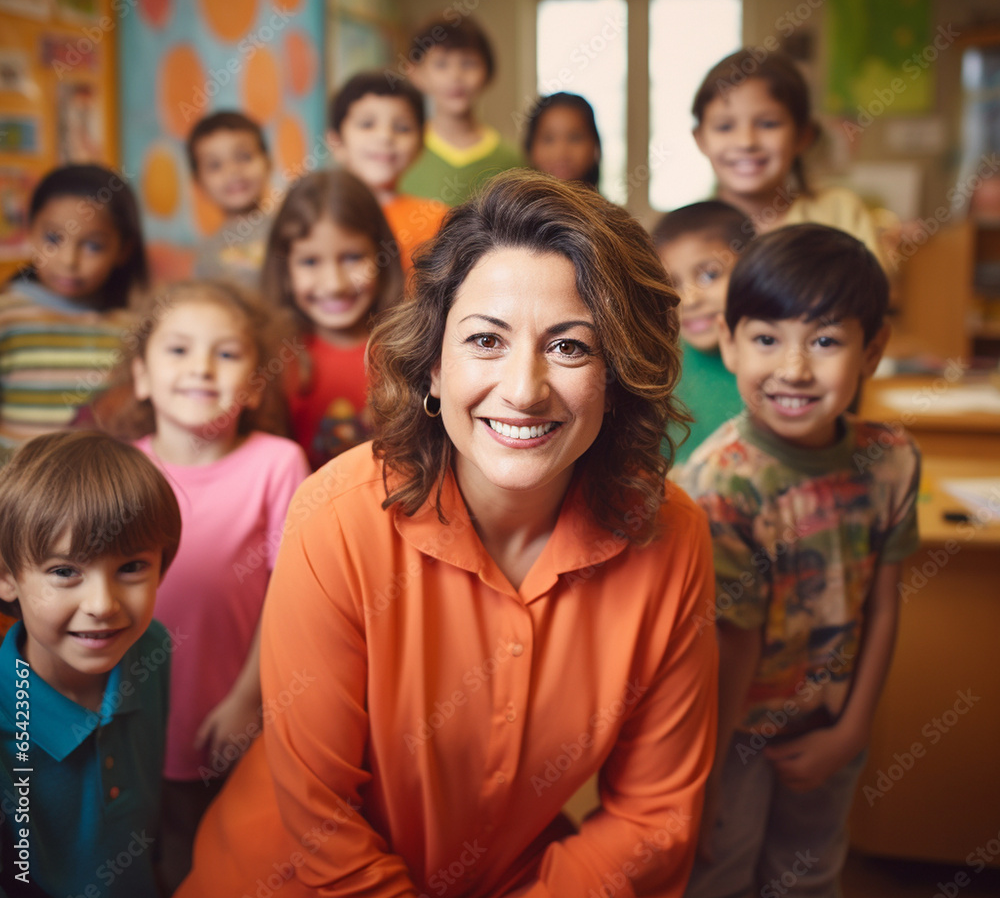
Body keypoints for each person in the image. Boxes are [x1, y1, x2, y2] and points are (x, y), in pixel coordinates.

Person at [177, 170, 717, 898]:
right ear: (433, 365)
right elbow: (320, 818)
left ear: (618, 378)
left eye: (570, 348)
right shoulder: (337, 518)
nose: (523, 389)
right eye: (486, 340)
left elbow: (654, 817)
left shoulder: (672, 539)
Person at [678, 225, 920, 898]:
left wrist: (852, 729)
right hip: (726, 734)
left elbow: (884, 599)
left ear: (872, 351)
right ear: (728, 343)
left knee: (809, 876)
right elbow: (732, 641)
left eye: (824, 340)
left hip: (827, 719)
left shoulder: (891, 459)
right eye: (765, 338)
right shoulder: (724, 483)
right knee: (719, 874)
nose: (793, 368)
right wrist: (707, 772)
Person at [109, 280, 310, 892]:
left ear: (253, 385)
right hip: (136, 726)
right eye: (178, 351)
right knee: (155, 859)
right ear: (141, 376)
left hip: (241, 720)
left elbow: (291, 600)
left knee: (236, 863)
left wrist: (247, 700)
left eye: (225, 353)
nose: (201, 367)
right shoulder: (124, 472)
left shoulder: (279, 464)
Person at [0, 430, 182, 897]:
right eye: (65, 571)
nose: (102, 604)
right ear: (6, 577)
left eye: (131, 567)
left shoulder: (151, 650)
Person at [261, 170, 404, 470]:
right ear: (284, 269)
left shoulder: (410, 348)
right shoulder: (271, 357)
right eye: (310, 261)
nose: (335, 284)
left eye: (352, 257)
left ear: (382, 256)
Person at [0, 164, 149, 450]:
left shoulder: (133, 328)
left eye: (93, 246)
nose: (69, 260)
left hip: (97, 489)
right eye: (53, 239)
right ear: (29, 232)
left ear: (123, 250)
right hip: (16, 489)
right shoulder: (7, 315)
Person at [692, 50, 886, 264]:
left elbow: (872, 292)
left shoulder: (840, 212)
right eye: (725, 126)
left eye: (768, 124)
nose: (746, 142)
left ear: (803, 136)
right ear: (700, 139)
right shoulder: (688, 233)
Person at [652, 201, 753, 464]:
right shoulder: (657, 371)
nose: (690, 299)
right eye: (672, 284)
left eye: (709, 275)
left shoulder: (778, 360)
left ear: (756, 271)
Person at [327, 71, 450, 270]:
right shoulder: (319, 213)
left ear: (421, 142)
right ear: (336, 141)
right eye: (367, 124)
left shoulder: (438, 221)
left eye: (402, 128)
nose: (385, 137)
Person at [399, 16, 524, 206]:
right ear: (416, 73)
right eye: (441, 64)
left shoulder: (512, 161)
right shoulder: (400, 152)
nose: (455, 76)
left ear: (488, 71)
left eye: (468, 63)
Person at [188, 111, 272, 287]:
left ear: (268, 162)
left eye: (244, 157)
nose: (232, 171)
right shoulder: (207, 253)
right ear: (199, 182)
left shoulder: (290, 228)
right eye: (215, 165)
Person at [524, 92, 602, 189]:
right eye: (548, 139)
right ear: (530, 146)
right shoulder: (513, 203)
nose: (561, 153)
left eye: (574, 138)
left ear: (595, 145)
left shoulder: (605, 205)